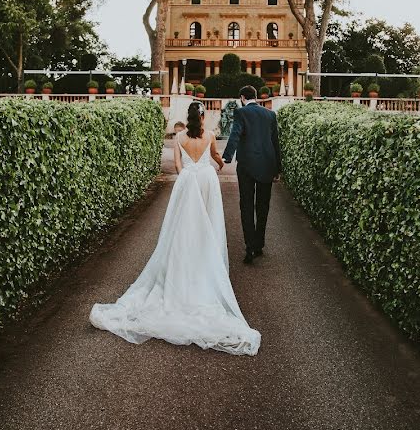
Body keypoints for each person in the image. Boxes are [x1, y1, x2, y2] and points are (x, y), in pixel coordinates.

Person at [90, 101, 260, 356]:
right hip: (205, 180)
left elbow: (178, 164)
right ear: (202, 117)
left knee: (183, 224)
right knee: (208, 222)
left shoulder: (179, 136)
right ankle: (204, 258)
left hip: (188, 181)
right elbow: (214, 156)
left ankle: (184, 259)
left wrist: (185, 177)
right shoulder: (210, 135)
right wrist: (220, 164)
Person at [222, 85, 282, 264]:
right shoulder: (270, 115)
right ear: (256, 97)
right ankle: (259, 244)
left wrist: (226, 157)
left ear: (242, 98)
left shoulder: (241, 113)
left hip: (247, 166)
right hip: (267, 164)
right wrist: (278, 168)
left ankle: (249, 247)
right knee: (263, 206)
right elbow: (275, 142)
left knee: (246, 205)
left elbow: (235, 135)